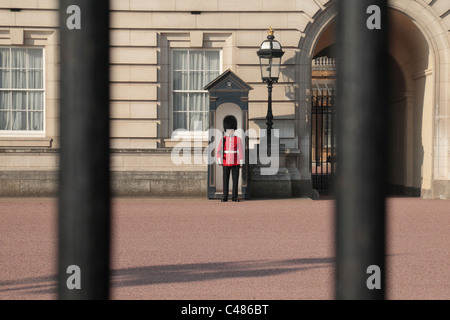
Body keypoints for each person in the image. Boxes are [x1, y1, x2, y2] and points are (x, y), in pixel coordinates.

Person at [216, 115, 243, 202]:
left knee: (235, 180)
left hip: (235, 162)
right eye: (228, 129)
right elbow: (219, 151)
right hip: (226, 161)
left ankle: (234, 197)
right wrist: (220, 160)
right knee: (225, 180)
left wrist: (241, 162)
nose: (230, 131)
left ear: (234, 129)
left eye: (231, 129)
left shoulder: (238, 139)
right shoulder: (223, 139)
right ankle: (225, 196)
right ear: (226, 130)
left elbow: (241, 151)